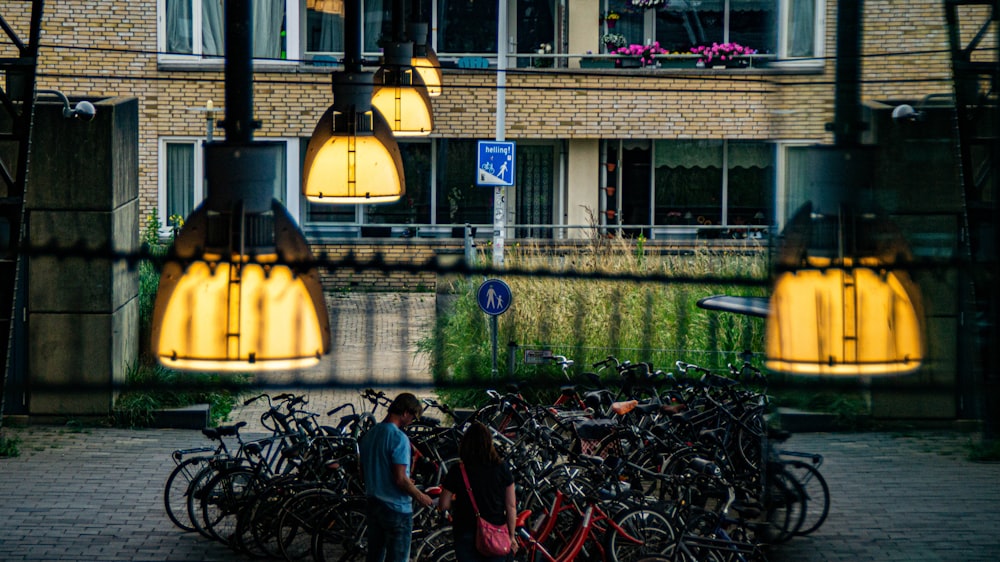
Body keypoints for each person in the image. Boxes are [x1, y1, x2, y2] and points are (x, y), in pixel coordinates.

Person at [359, 392, 434, 562]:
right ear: (406, 412)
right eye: (413, 417)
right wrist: (420, 496)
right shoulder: (399, 438)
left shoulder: (369, 435)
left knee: (375, 556)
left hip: (373, 504)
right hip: (396, 509)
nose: (412, 421)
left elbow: (364, 472)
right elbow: (400, 479)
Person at [439, 421, 518, 562]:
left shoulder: (457, 470)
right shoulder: (502, 468)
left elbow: (443, 504)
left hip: (465, 531)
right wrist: (511, 536)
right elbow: (511, 506)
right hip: (496, 532)